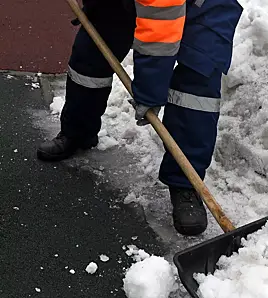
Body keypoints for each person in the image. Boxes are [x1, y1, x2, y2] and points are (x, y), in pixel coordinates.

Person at [36, 0, 243, 236]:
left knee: (196, 86)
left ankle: (186, 182)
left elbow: (160, 28)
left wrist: (149, 92)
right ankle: (77, 132)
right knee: (92, 51)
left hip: (203, 6)